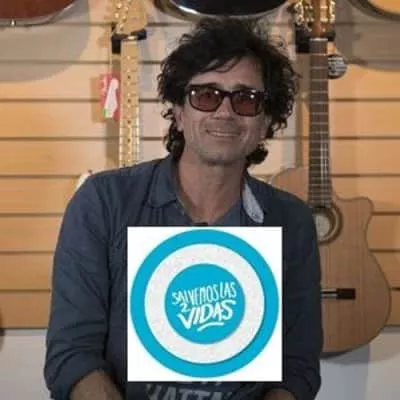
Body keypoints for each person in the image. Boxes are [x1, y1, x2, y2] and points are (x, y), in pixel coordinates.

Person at [44, 17, 322, 400]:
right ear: (178, 111)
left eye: (246, 99)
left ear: (265, 123)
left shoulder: (291, 221)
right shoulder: (103, 202)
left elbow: (297, 369)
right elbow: (73, 355)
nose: (225, 112)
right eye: (206, 95)